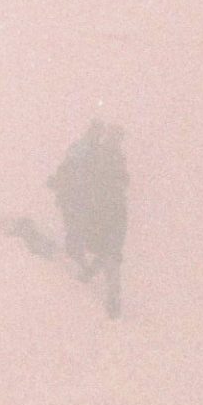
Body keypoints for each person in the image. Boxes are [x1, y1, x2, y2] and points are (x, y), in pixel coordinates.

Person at [48, 121, 129, 318]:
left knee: (97, 246)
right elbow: (122, 182)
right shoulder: (109, 156)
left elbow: (75, 174)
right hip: (110, 211)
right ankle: (106, 291)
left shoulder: (96, 154)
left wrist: (60, 185)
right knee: (108, 252)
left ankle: (89, 277)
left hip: (99, 209)